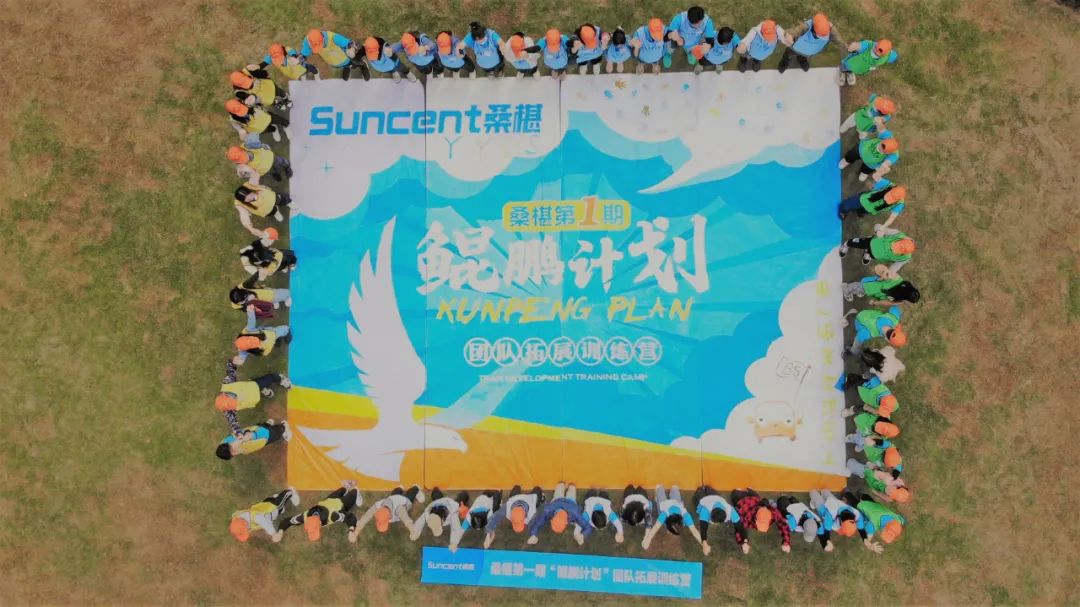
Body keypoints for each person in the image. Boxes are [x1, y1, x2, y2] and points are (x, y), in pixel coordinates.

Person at [215, 359, 290, 434]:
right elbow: (233, 423)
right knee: (258, 393)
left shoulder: (227, 384)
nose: (237, 400)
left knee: (271, 378)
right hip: (253, 399)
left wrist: (232, 363)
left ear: (225, 394)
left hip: (254, 385)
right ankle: (262, 390)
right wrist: (239, 433)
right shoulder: (228, 411)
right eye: (234, 404)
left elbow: (231, 372)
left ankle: (281, 379)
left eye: (234, 399)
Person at [281, 481, 362, 542]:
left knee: (354, 493)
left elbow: (349, 517)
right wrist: (280, 531)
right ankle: (347, 486)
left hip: (341, 505)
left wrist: (351, 531)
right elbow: (288, 521)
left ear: (319, 523)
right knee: (342, 489)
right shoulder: (304, 517)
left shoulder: (333, 516)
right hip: (328, 501)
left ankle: (355, 491)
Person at [809, 489, 882, 553]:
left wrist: (865, 539)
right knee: (813, 492)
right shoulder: (831, 519)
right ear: (840, 522)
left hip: (834, 501)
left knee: (824, 491)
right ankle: (814, 502)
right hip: (823, 508)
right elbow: (825, 532)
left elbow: (861, 529)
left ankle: (817, 499)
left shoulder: (857, 515)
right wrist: (826, 542)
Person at [641, 485, 705, 551]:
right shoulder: (664, 514)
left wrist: (704, 544)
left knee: (674, 488)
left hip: (676, 502)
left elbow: (694, 531)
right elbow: (655, 528)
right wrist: (647, 540)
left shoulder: (685, 515)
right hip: (664, 504)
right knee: (659, 488)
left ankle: (670, 490)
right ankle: (660, 492)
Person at [778, 13, 843, 73]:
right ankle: (785, 61)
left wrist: (845, 46)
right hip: (796, 48)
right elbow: (796, 31)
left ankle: (802, 59)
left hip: (807, 51)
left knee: (803, 55)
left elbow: (838, 39)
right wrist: (789, 35)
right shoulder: (806, 26)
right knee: (789, 53)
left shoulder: (829, 29)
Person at [229, 487, 300, 543]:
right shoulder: (238, 518)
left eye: (245, 530)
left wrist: (273, 533)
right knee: (276, 513)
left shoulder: (255, 517)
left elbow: (265, 523)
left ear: (245, 523)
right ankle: (277, 501)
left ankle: (290, 492)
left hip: (271, 506)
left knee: (279, 504)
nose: (247, 531)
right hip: (264, 508)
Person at [731, 488, 791, 553]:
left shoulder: (773, 513)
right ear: (755, 519)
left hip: (755, 499)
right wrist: (743, 542)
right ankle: (742, 491)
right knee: (736, 491)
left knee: (754, 495)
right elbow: (738, 527)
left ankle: (749, 491)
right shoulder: (746, 515)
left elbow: (783, 524)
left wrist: (786, 542)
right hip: (740, 500)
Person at [693, 485, 744, 555]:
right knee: (698, 495)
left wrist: (745, 541)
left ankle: (707, 489)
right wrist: (704, 543)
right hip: (705, 500)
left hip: (716, 497)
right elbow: (703, 527)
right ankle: (703, 490)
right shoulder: (705, 509)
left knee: (708, 491)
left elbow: (739, 526)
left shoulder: (730, 510)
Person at [356, 485, 425, 535]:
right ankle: (399, 488)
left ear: (389, 516)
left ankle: (416, 488)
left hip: (404, 502)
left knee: (411, 496)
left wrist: (412, 529)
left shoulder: (398, 509)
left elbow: (405, 518)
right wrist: (357, 531)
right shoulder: (378, 507)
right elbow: (367, 516)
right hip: (392, 498)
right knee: (395, 494)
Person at [842, 265, 920, 307]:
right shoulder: (898, 299)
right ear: (906, 299)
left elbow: (888, 272)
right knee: (859, 286)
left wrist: (882, 278)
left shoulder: (900, 281)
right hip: (873, 287)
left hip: (874, 286)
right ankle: (846, 289)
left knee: (861, 288)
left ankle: (854, 290)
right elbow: (887, 303)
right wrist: (875, 303)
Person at [838, 180, 907, 225]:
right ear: (892, 189)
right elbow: (873, 186)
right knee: (846, 205)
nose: (886, 199)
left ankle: (859, 211)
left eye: (891, 199)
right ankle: (842, 211)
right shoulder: (888, 184)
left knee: (863, 211)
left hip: (871, 209)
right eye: (889, 196)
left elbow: (892, 217)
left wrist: (883, 227)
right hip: (864, 199)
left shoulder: (900, 204)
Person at [841, 227, 914, 270]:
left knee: (872, 255)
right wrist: (878, 230)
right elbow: (879, 226)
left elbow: (896, 266)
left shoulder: (905, 258)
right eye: (896, 245)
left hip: (877, 255)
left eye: (897, 250)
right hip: (871, 242)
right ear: (900, 240)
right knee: (859, 243)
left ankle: (868, 253)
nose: (892, 248)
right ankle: (847, 244)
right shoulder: (897, 234)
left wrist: (889, 272)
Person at [216, 419, 290, 460]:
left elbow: (249, 435)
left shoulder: (240, 442)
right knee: (262, 427)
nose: (234, 454)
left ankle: (283, 427)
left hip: (264, 435)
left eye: (232, 452)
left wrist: (240, 441)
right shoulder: (224, 442)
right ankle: (268, 425)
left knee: (276, 433)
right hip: (257, 433)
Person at [846, 458, 911, 504]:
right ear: (898, 486)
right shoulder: (890, 479)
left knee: (863, 471)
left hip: (873, 480)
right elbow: (884, 471)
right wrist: (874, 469)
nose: (890, 492)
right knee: (851, 464)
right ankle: (863, 468)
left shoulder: (889, 498)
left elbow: (881, 495)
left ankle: (864, 469)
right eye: (893, 491)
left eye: (891, 495)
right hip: (872, 473)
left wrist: (875, 492)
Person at [226, 143, 292, 184]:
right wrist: (242, 173)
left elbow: (263, 146)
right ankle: (275, 173)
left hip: (272, 159)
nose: (247, 159)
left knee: (282, 162)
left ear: (243, 150)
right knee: (272, 171)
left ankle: (287, 167)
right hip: (265, 170)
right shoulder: (244, 166)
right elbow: (249, 173)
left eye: (245, 156)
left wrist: (265, 148)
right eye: (243, 160)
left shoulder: (250, 145)